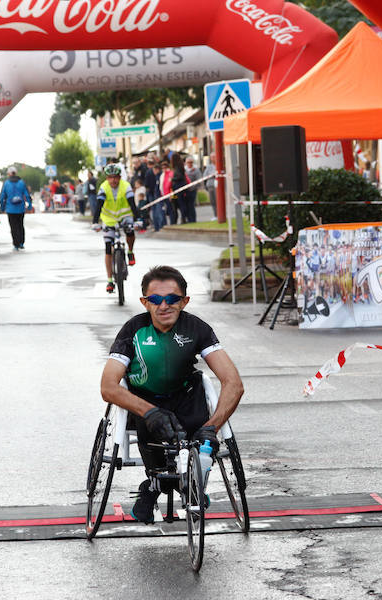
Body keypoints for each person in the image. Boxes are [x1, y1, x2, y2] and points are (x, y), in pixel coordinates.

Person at [100, 265, 244, 523]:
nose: (163, 305)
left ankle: (190, 482)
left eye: (172, 299)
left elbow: (233, 383)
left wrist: (213, 426)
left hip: (187, 398)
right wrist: (149, 412)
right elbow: (109, 386)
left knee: (203, 439)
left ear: (185, 301)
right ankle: (154, 485)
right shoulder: (133, 330)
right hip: (146, 402)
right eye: (155, 299)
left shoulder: (197, 328)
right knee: (153, 429)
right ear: (145, 302)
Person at [97, 163, 141, 293]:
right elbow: (98, 206)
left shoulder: (125, 186)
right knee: (108, 248)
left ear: (120, 177)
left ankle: (130, 252)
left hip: (125, 216)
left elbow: (133, 204)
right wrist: (95, 222)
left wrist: (138, 219)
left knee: (130, 232)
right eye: (110, 177)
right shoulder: (103, 188)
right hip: (109, 219)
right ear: (107, 178)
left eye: (115, 177)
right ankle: (110, 280)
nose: (113, 180)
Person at [0, 166, 33, 251]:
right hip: (20, 208)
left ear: (9, 173)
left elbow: (2, 196)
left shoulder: (6, 183)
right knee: (20, 225)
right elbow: (27, 194)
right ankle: (21, 243)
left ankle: (16, 244)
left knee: (13, 227)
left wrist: (2, 207)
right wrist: (29, 205)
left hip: (10, 209)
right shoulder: (21, 182)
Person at [144, 158, 164, 232]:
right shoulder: (159, 173)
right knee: (159, 210)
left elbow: (146, 184)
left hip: (152, 194)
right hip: (156, 194)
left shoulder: (149, 172)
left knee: (155, 211)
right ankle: (160, 226)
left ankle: (157, 227)